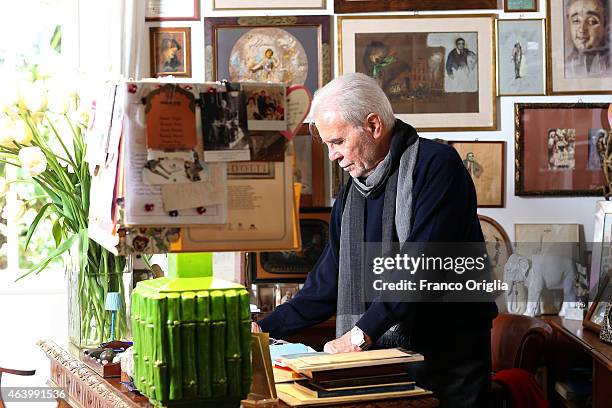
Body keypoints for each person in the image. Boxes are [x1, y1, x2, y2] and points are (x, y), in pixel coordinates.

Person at [253, 73, 497, 407]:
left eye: (337, 142)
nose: (332, 156)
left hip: (450, 359)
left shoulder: (438, 166)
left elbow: (420, 267)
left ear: (373, 125)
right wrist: (262, 329)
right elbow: (326, 285)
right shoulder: (350, 196)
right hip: (385, 363)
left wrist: (358, 335)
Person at [565, 0, 612, 77]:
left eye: (591, 21)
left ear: (605, 25)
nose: (582, 30)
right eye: (576, 20)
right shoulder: (566, 66)